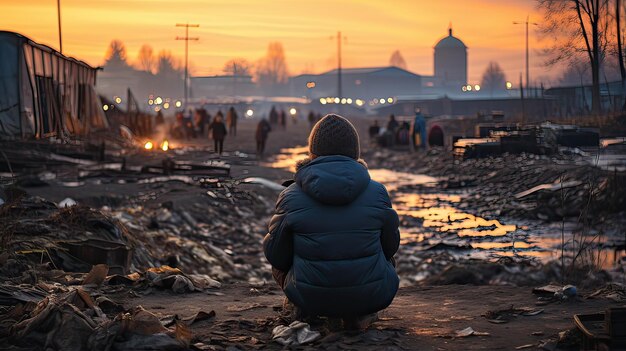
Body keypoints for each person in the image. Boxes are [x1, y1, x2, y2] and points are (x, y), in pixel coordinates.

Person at [263, 114, 400, 330]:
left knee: (281, 255)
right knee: (387, 258)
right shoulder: (377, 191)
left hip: (310, 296)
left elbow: (276, 255)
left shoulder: (290, 195)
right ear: (355, 153)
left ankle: (304, 309)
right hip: (371, 296)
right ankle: (359, 313)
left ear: (313, 152)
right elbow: (390, 247)